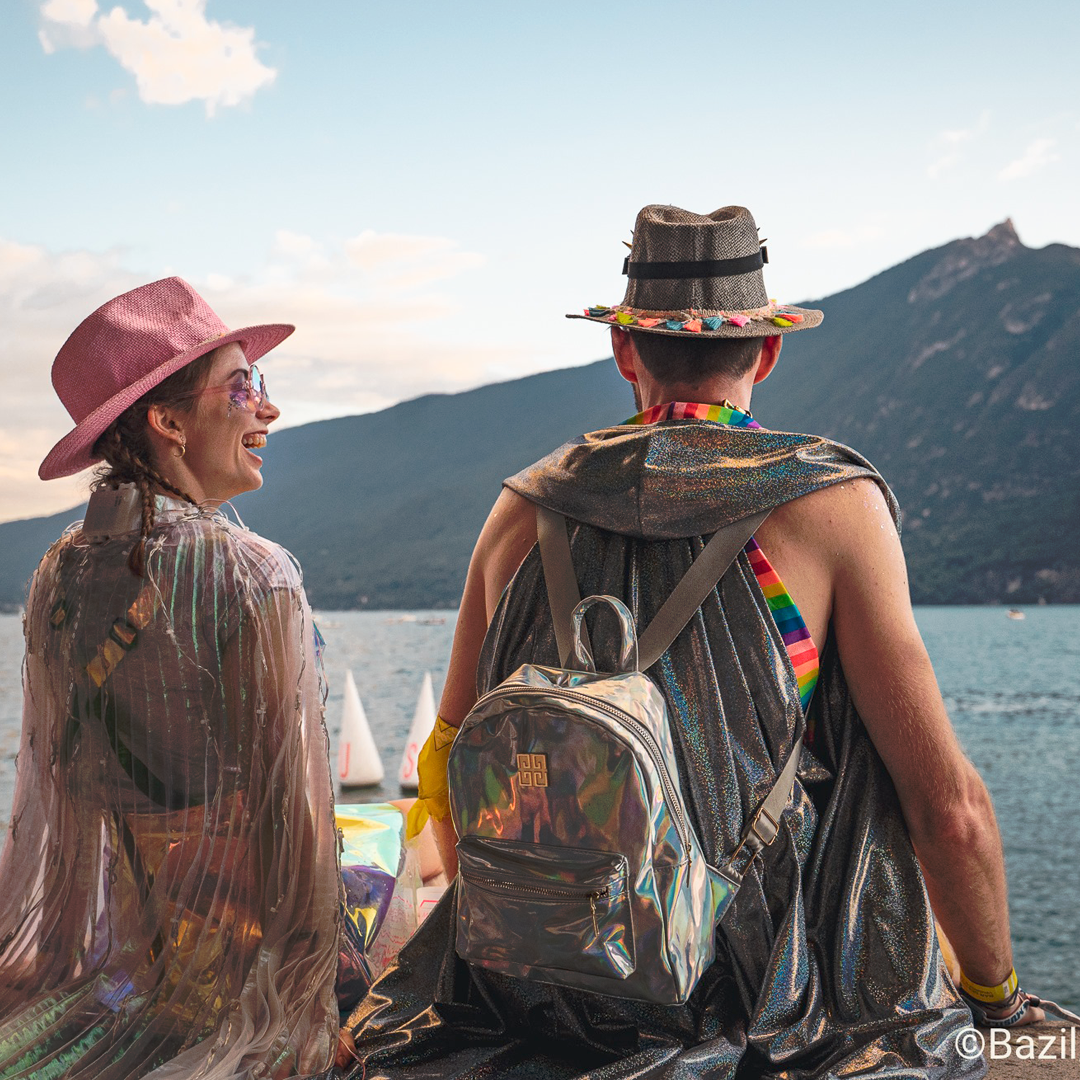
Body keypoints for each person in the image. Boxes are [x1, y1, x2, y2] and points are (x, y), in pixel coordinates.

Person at [345, 205, 1045, 1078]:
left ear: (623, 351)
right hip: (746, 994)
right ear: (767, 350)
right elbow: (948, 809)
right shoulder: (832, 506)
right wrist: (997, 998)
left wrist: (539, 924)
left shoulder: (522, 508)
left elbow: (448, 758)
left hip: (525, 987)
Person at [0, 279, 341, 1079]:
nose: (268, 409)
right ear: (167, 421)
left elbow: (59, 798)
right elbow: (296, 833)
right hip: (240, 979)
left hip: (127, 966)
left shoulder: (58, 573)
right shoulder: (253, 572)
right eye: (243, 386)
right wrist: (303, 1011)